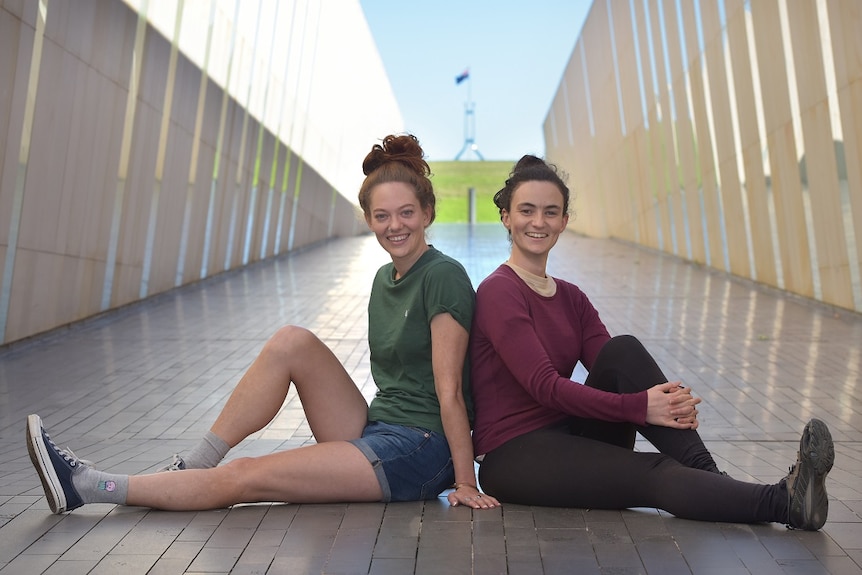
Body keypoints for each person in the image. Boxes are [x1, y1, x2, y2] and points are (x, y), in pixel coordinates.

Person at [27, 134, 499, 514]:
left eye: (406, 213)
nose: (395, 226)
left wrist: (463, 481)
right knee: (292, 341)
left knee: (246, 476)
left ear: (428, 213)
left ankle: (89, 486)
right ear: (369, 220)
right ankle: (193, 464)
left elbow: (450, 391)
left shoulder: (443, 277)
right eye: (382, 216)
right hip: (380, 426)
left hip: (420, 449)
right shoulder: (384, 277)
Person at [469, 154, 834, 530]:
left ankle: (711, 478)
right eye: (526, 210)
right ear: (506, 218)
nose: (538, 222)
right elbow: (546, 388)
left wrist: (664, 402)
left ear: (563, 221)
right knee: (654, 470)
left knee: (623, 349)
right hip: (514, 454)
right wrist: (641, 407)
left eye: (550, 212)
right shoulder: (500, 291)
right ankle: (782, 502)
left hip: (570, 434)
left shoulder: (571, 297)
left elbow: (619, 368)